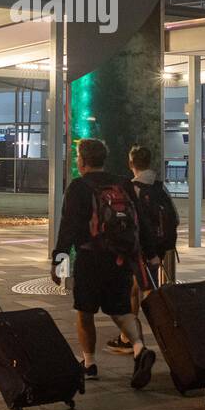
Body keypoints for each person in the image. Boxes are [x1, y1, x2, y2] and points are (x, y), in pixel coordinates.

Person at [52, 138, 159, 388]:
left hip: (90, 257)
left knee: (85, 311)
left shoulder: (79, 187)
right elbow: (140, 220)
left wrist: (60, 261)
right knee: (121, 310)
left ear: (83, 160)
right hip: (120, 258)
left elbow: (68, 227)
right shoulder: (122, 183)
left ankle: (89, 364)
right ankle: (139, 348)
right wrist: (150, 252)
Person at [105, 144, 176, 355]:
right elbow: (174, 218)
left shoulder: (131, 188)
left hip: (139, 248)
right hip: (159, 248)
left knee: (139, 291)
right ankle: (148, 334)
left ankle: (134, 337)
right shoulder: (160, 187)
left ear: (131, 163)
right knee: (141, 288)